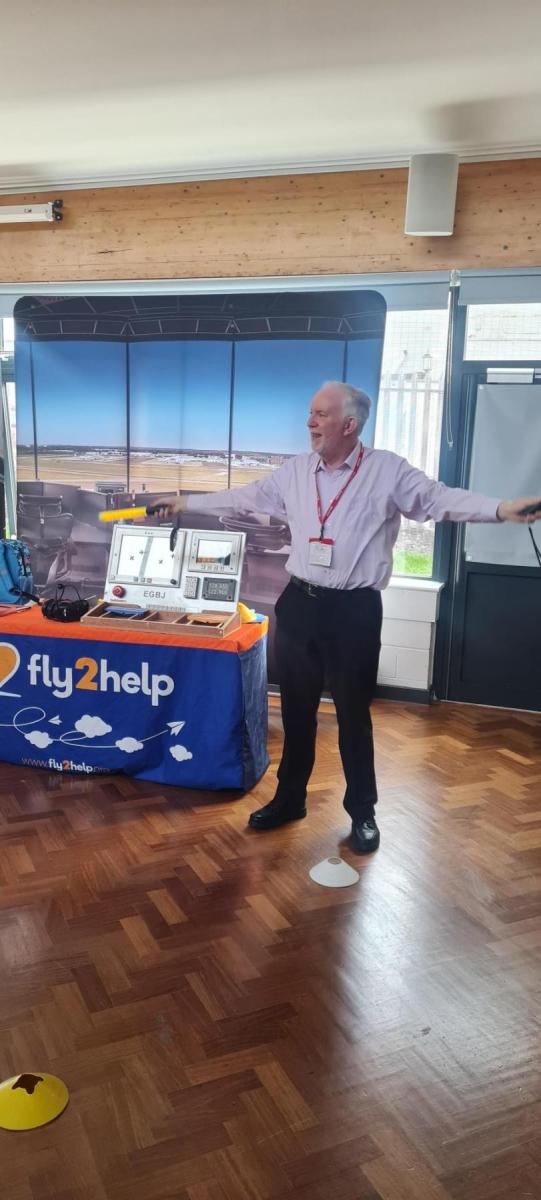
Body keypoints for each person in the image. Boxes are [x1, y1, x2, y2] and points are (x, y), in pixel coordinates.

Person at [155, 381, 541, 854]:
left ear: (350, 425)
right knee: (296, 712)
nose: (309, 422)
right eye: (310, 412)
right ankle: (289, 799)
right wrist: (186, 502)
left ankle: (363, 813)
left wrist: (500, 509)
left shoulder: (387, 471)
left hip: (354, 611)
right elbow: (244, 497)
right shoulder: (296, 472)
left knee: (354, 717)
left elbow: (440, 500)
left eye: (320, 414)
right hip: (299, 603)